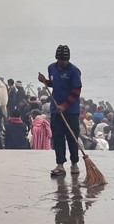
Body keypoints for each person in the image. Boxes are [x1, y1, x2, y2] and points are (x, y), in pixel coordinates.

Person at [38, 44, 83, 177]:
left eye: (65, 60)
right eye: (61, 60)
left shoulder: (74, 71)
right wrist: (44, 81)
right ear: (57, 58)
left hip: (71, 111)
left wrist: (64, 105)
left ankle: (74, 163)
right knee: (57, 138)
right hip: (56, 110)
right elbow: (54, 83)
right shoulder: (51, 68)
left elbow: (76, 91)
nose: (63, 63)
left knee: (72, 138)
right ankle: (60, 164)